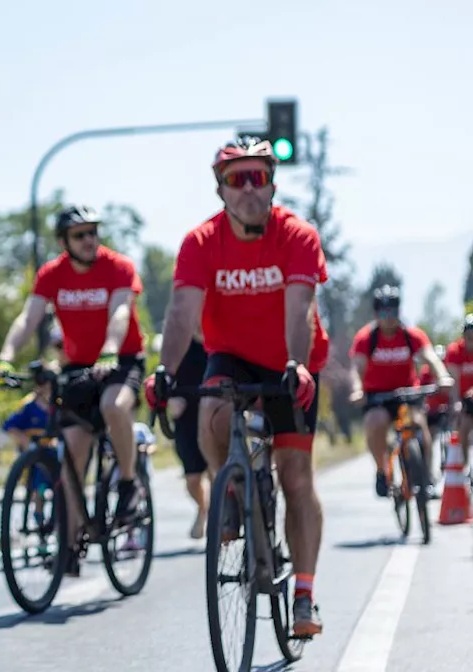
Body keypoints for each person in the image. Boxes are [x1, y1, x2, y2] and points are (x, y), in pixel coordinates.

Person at [150, 136, 329, 638]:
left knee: (295, 476)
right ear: (220, 189)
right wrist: (165, 371)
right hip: (232, 356)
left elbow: (300, 309)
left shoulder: (297, 234)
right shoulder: (200, 241)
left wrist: (296, 364)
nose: (248, 188)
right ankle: (230, 483)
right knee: (214, 414)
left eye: (258, 176)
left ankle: (305, 595)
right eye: (236, 178)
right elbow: (182, 312)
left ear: (272, 182)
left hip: (293, 361)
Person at [0, 204, 147, 549]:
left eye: (93, 232)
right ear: (64, 241)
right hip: (77, 368)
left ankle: (128, 483)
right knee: (72, 455)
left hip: (120, 359)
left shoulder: (118, 266)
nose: (89, 239)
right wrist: (5, 358)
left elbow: (121, 311)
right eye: (80, 235)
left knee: (114, 406)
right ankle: (70, 544)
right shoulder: (51, 274)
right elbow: (28, 319)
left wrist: (109, 350)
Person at [347, 285, 453, 499]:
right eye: (384, 312)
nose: (389, 318)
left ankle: (426, 477)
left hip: (407, 393)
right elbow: (356, 368)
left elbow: (430, 357)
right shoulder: (366, 339)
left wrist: (442, 377)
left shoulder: (411, 335)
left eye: (393, 312)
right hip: (378, 397)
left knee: (420, 427)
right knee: (375, 423)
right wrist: (358, 389)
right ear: (377, 314)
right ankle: (381, 470)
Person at [0, 361, 59, 536]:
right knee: (39, 489)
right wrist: (27, 443)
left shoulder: (57, 405)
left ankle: (57, 522)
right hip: (36, 457)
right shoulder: (28, 405)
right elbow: (10, 426)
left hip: (54, 453)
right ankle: (39, 520)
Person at [168, 330, 211, 539]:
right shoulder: (178, 339)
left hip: (214, 407)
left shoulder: (216, 335)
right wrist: (170, 397)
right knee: (192, 479)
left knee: (216, 467)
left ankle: (220, 515)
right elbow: (166, 373)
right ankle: (204, 508)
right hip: (186, 413)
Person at [445, 315, 473, 460]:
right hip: (462, 398)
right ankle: (464, 463)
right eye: (469, 337)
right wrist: (456, 402)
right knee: (463, 427)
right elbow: (454, 380)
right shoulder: (454, 351)